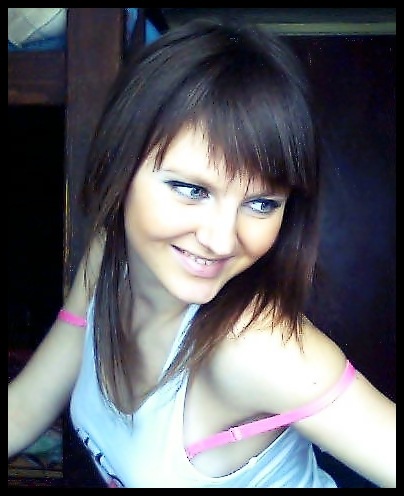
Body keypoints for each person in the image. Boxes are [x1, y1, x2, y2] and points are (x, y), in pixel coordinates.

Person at [8, 18, 396, 488]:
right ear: (119, 166)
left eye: (261, 204)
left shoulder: (261, 349)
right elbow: (26, 405)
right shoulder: (109, 260)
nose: (221, 240)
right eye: (191, 189)